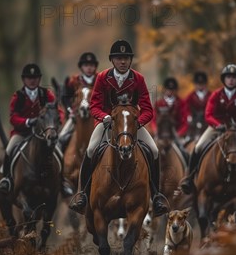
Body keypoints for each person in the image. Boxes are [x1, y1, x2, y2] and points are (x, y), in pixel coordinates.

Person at [68, 39, 170, 217]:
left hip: (131, 124)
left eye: (126, 58)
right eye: (118, 58)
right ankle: (82, 194)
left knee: (153, 150)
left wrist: (138, 122)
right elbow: (94, 106)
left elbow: (147, 109)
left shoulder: (138, 78)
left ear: (130, 60)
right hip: (107, 123)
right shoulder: (102, 78)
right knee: (91, 149)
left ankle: (156, 195)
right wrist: (104, 117)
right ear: (112, 60)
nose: (122, 61)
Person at [179, 64, 236, 203]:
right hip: (217, 127)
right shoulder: (216, 94)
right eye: (228, 77)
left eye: (234, 77)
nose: (231, 80)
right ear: (224, 79)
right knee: (197, 148)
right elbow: (208, 114)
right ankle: (189, 179)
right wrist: (217, 125)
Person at [0, 63, 64, 193]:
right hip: (22, 133)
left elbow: (57, 110)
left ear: (39, 79)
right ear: (24, 80)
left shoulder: (47, 95)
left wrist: (56, 122)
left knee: (59, 152)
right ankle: (7, 179)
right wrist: (27, 121)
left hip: (43, 133)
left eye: (35, 78)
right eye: (29, 78)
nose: (32, 80)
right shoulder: (18, 96)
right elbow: (13, 118)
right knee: (9, 150)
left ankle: (62, 182)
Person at [58, 52, 99, 154]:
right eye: (86, 65)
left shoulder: (100, 79)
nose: (89, 68)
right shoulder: (73, 81)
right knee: (62, 137)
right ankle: (59, 158)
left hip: (96, 116)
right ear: (81, 67)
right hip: (76, 116)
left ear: (95, 67)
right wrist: (70, 110)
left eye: (91, 65)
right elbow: (65, 97)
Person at [183, 71, 211, 142]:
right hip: (193, 122)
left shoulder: (211, 95)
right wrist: (189, 116)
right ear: (195, 84)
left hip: (207, 121)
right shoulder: (190, 96)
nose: (200, 85)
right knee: (186, 140)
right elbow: (185, 108)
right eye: (198, 83)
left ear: (205, 84)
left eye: (202, 83)